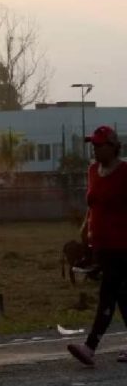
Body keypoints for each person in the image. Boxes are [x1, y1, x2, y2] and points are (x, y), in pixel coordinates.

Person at [68, 126, 127, 365]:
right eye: (93, 144)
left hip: (123, 244)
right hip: (101, 243)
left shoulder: (125, 172)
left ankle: (90, 346)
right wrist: (85, 228)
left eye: (99, 144)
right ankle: (91, 346)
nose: (95, 149)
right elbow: (92, 205)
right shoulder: (93, 171)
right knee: (121, 295)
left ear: (113, 147)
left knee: (109, 293)